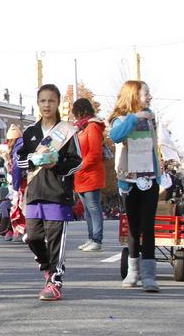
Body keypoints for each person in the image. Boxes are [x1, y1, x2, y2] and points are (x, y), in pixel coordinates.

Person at [16, 85, 82, 301]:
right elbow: (19, 160)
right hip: (34, 192)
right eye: (43, 101)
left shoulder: (67, 131)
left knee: (55, 239)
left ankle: (55, 280)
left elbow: (76, 162)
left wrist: (57, 163)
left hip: (57, 192)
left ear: (58, 103)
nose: (47, 105)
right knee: (32, 236)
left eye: (51, 101)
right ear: (37, 103)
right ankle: (47, 267)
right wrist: (33, 160)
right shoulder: (30, 132)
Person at [109, 80, 163, 292]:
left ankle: (149, 275)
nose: (149, 97)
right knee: (133, 227)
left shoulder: (151, 117)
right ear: (133, 96)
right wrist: (134, 118)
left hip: (149, 178)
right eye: (145, 94)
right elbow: (116, 136)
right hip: (129, 180)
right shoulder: (120, 119)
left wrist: (160, 173)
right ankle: (133, 271)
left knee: (148, 226)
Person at [72, 97, 106, 252]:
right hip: (81, 174)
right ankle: (91, 237)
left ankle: (97, 239)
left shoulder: (92, 127)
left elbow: (95, 152)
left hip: (90, 173)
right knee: (87, 209)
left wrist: (81, 165)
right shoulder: (80, 128)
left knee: (93, 207)